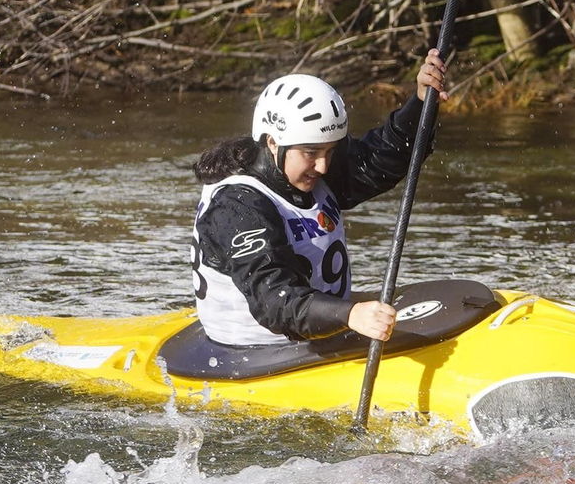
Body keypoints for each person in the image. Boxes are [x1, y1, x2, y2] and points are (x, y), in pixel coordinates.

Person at [188, 49, 448, 347]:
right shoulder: (237, 206)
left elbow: (378, 160)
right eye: (311, 153)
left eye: (330, 151)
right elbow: (275, 300)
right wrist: (351, 314)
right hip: (253, 351)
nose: (323, 166)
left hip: (322, 332)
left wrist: (419, 103)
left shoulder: (306, 166)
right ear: (273, 142)